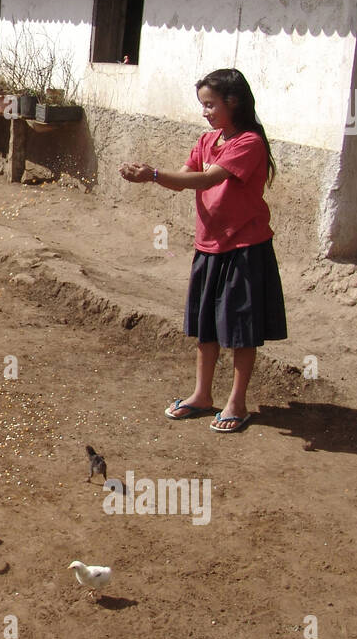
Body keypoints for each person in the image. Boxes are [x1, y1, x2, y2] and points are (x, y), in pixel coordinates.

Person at [119, 68, 286, 433]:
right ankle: (202, 396)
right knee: (206, 326)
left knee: (241, 329)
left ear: (233, 101)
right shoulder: (208, 141)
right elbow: (183, 180)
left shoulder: (249, 143)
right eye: (203, 106)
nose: (205, 112)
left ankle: (237, 402)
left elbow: (209, 179)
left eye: (210, 105)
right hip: (209, 246)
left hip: (244, 247)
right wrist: (148, 176)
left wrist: (153, 174)